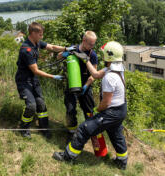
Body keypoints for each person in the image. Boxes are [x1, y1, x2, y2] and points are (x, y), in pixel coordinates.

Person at [53, 41, 128, 170]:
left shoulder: (110, 77)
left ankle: (68, 156)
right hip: (121, 110)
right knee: (116, 134)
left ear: (108, 56)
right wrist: (86, 60)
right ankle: (122, 162)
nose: (102, 55)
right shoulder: (116, 68)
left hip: (112, 111)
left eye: (104, 54)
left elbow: (106, 102)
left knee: (84, 128)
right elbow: (96, 74)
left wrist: (97, 109)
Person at [15, 22, 74, 139]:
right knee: (31, 106)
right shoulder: (26, 50)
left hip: (33, 79)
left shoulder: (37, 43)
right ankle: (24, 127)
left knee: (41, 104)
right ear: (33, 33)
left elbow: (51, 47)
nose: (42, 37)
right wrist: (53, 76)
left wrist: (66, 48)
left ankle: (44, 128)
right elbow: (36, 70)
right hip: (24, 81)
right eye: (40, 34)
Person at [58, 31, 98, 134]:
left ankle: (90, 133)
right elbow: (58, 57)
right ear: (84, 40)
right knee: (70, 110)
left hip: (86, 86)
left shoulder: (92, 55)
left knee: (89, 111)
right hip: (72, 85)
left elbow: (93, 75)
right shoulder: (73, 48)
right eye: (90, 44)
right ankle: (72, 133)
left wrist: (85, 87)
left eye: (93, 44)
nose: (92, 46)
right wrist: (64, 53)